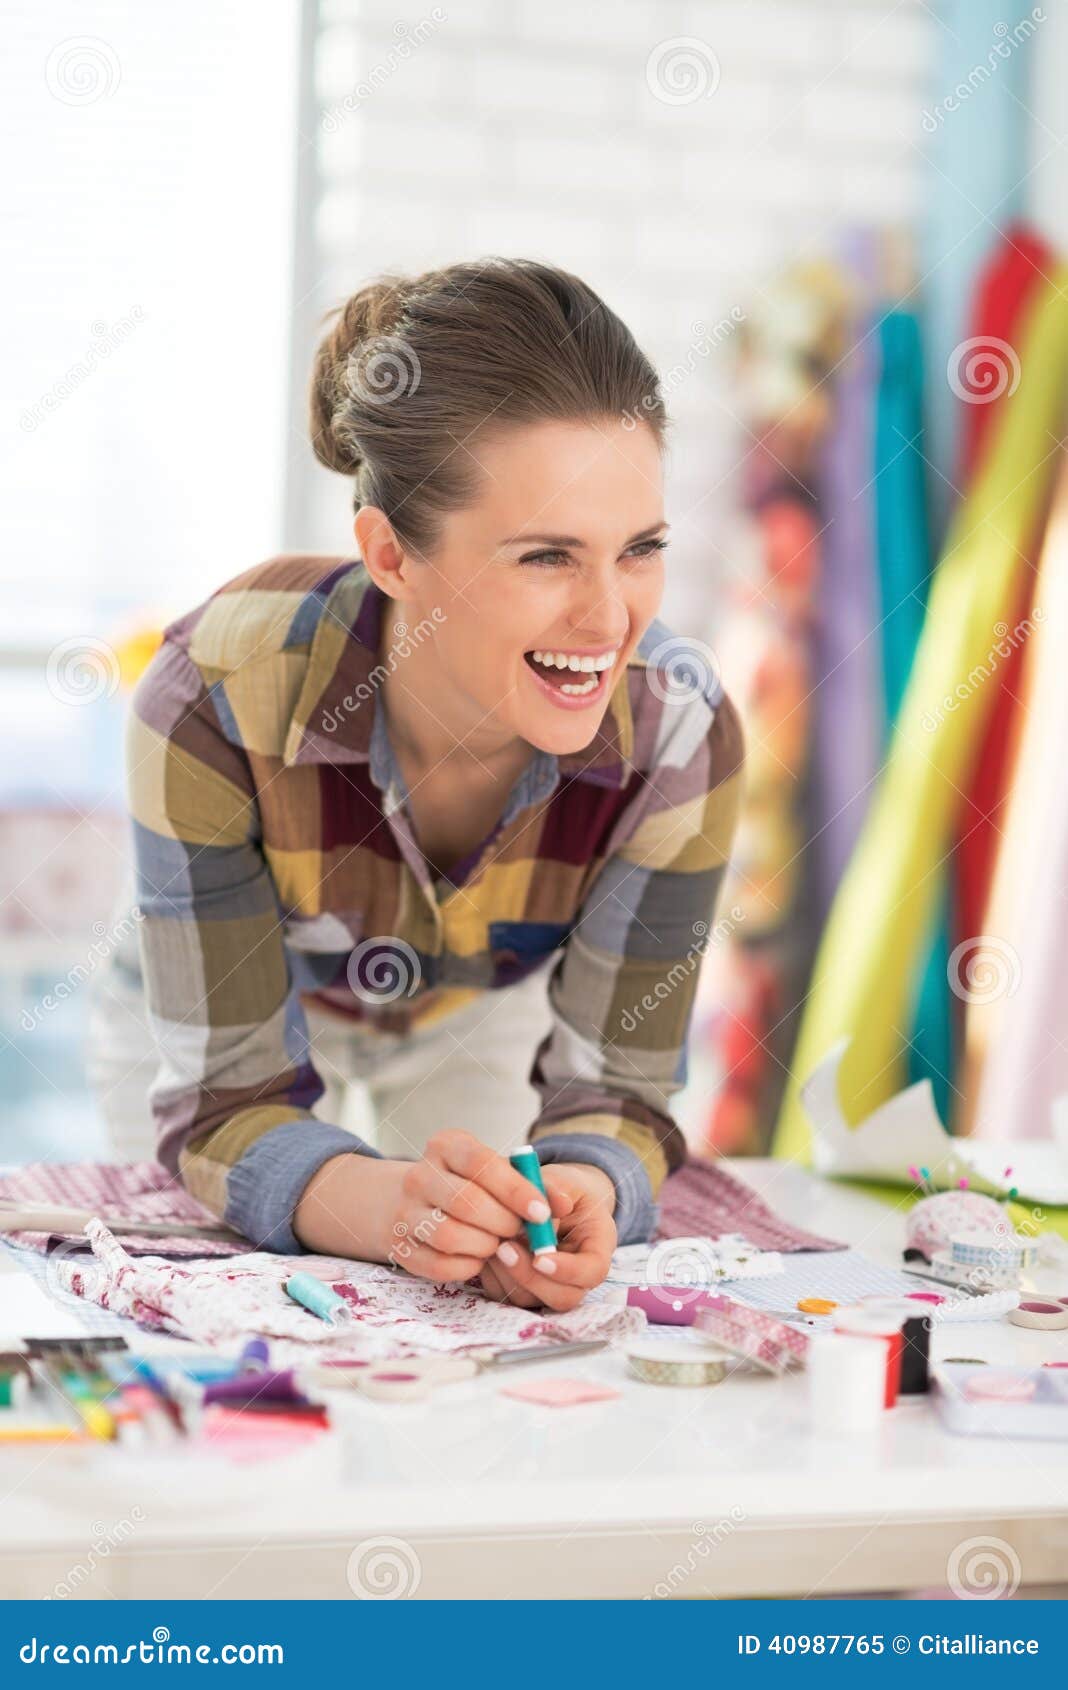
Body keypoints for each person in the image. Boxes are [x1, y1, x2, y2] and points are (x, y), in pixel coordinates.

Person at [89, 257, 744, 1312]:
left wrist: (582, 1187)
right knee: (192, 1309)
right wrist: (383, 1207)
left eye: (641, 549)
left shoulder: (677, 731)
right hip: (222, 1006)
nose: (611, 618)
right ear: (390, 554)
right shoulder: (214, 691)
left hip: (470, 1008)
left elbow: (617, 1090)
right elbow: (226, 1105)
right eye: (546, 557)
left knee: (469, 1321)